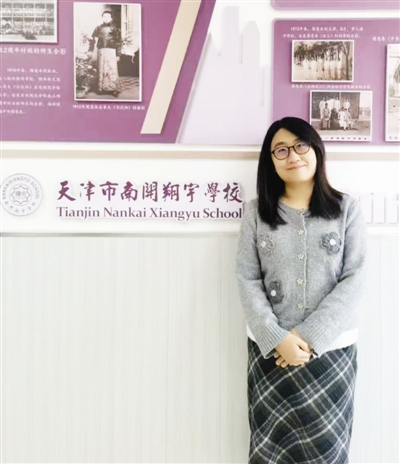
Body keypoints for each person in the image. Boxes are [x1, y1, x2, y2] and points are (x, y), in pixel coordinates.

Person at [235, 117, 367, 463]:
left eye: (300, 145)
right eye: (281, 150)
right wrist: (277, 337)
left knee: (327, 452)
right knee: (269, 452)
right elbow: (247, 279)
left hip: (331, 353)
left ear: (316, 150)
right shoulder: (256, 214)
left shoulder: (347, 209)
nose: (292, 155)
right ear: (270, 161)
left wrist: (308, 337)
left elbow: (355, 278)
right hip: (270, 354)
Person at [88, 10, 121, 97]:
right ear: (102, 18)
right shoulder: (98, 28)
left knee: (111, 69)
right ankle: (102, 88)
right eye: (104, 17)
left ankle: (113, 89)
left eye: (108, 17)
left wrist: (118, 55)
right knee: (101, 69)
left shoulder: (114, 28)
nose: (106, 18)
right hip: (101, 51)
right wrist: (90, 50)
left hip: (111, 51)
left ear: (111, 18)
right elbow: (92, 39)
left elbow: (118, 42)